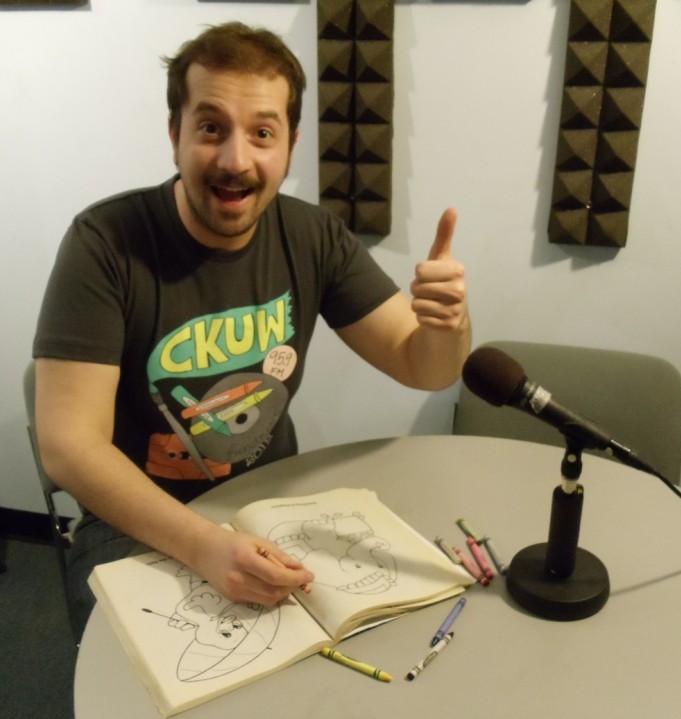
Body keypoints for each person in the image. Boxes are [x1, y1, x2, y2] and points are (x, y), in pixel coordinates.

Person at [32, 21, 471, 642]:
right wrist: (205, 545)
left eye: (262, 133)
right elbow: (69, 446)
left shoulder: (314, 236)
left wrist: (449, 324)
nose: (236, 160)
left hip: (271, 501)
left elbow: (424, 366)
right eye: (211, 128)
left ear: (290, 144)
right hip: (131, 518)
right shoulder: (104, 242)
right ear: (175, 135)